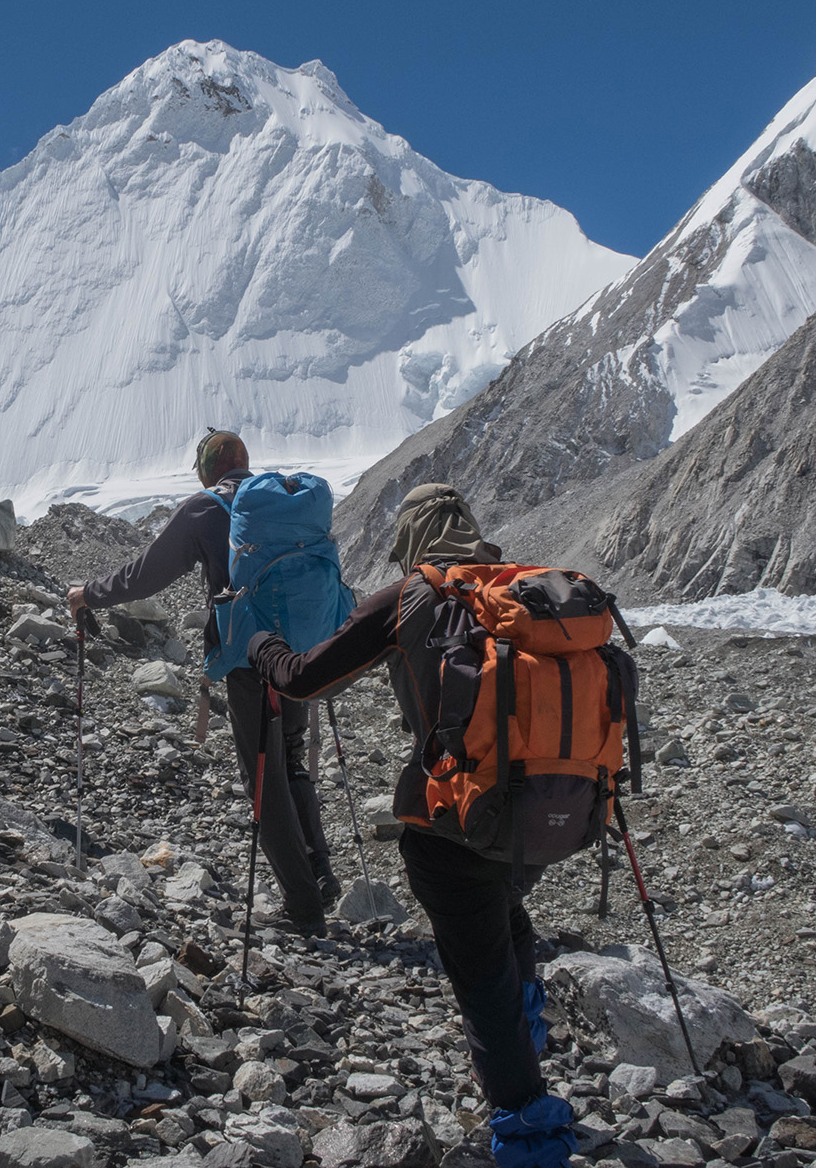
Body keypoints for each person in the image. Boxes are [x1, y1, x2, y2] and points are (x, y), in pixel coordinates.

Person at [245, 482, 578, 1168]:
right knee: (501, 906)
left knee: (478, 973)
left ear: (412, 540)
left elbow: (305, 678)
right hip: (537, 817)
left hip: (453, 822)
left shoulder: (413, 595)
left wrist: (260, 644)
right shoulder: (521, 587)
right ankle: (529, 1018)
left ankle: (531, 1130)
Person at [68, 430, 336, 934]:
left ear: (207, 469)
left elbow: (145, 576)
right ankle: (319, 874)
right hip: (302, 654)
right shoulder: (277, 506)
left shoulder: (206, 509)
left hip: (250, 659)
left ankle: (303, 908)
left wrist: (89, 594)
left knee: (262, 776)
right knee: (291, 760)